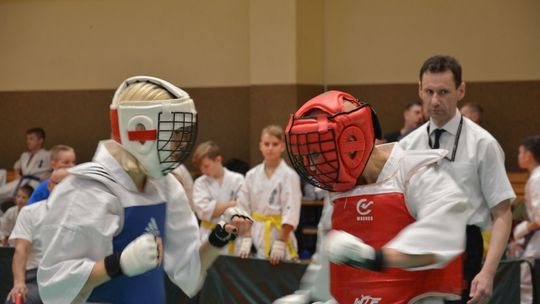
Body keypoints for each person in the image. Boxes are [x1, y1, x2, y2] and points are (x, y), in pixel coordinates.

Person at [36, 76, 252, 304]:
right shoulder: (86, 189)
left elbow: (187, 269)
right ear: (138, 129)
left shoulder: (165, 186)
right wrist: (117, 265)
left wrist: (219, 237)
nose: (175, 146)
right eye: (170, 135)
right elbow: (54, 287)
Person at [285, 90, 469, 303]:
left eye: (318, 153)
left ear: (351, 140)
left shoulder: (417, 173)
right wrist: (307, 296)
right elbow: (328, 256)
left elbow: (442, 235)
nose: (314, 165)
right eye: (308, 157)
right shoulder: (338, 191)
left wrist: (374, 258)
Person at [399, 55, 515, 304]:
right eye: (428, 91)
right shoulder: (407, 145)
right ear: (419, 89)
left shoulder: (483, 144)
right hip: (418, 247)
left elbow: (503, 213)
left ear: (461, 90)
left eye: (443, 92)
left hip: (465, 250)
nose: (435, 100)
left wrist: (488, 271)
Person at [237, 125, 302, 264]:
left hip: (280, 234)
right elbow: (243, 207)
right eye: (266, 144)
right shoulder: (251, 175)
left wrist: (280, 241)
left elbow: (292, 210)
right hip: (254, 233)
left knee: (280, 282)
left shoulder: (289, 175)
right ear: (260, 146)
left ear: (282, 147)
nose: (270, 148)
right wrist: (246, 236)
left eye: (275, 144)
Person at [5, 168, 69, 304]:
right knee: (18, 299)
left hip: (69, 275)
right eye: (59, 183)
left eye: (69, 183)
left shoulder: (82, 215)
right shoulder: (30, 212)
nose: (65, 188)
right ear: (50, 186)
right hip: (35, 276)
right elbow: (21, 249)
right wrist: (19, 283)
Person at [191, 141, 245, 254]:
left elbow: (244, 207)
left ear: (218, 160)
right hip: (208, 236)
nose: (203, 171)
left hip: (233, 237)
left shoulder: (238, 179)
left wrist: (218, 208)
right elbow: (204, 212)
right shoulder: (199, 183)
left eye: (206, 166)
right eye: (201, 167)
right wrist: (233, 203)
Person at [509, 135, 540, 303]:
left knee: (527, 289)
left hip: (537, 244)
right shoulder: (535, 177)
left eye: (520, 152)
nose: (518, 156)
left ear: (528, 155)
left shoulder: (537, 179)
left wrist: (523, 230)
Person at [0, 128, 51, 204]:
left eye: (31, 139)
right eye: (27, 139)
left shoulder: (48, 155)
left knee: (29, 201)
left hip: (36, 183)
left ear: (40, 140)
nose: (28, 141)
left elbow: (56, 168)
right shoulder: (24, 155)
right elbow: (17, 166)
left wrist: (48, 176)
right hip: (22, 181)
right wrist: (17, 174)